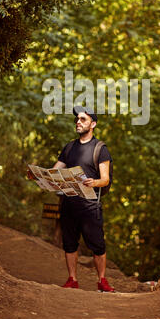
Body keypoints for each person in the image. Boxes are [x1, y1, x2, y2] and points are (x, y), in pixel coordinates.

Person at [52, 105, 115, 293]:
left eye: (83, 119)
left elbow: (105, 180)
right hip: (68, 203)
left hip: (89, 206)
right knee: (69, 243)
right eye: (77, 119)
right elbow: (56, 170)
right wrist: (41, 175)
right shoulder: (69, 147)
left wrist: (92, 182)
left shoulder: (100, 149)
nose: (78, 122)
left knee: (97, 245)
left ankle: (102, 281)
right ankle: (72, 279)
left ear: (93, 124)